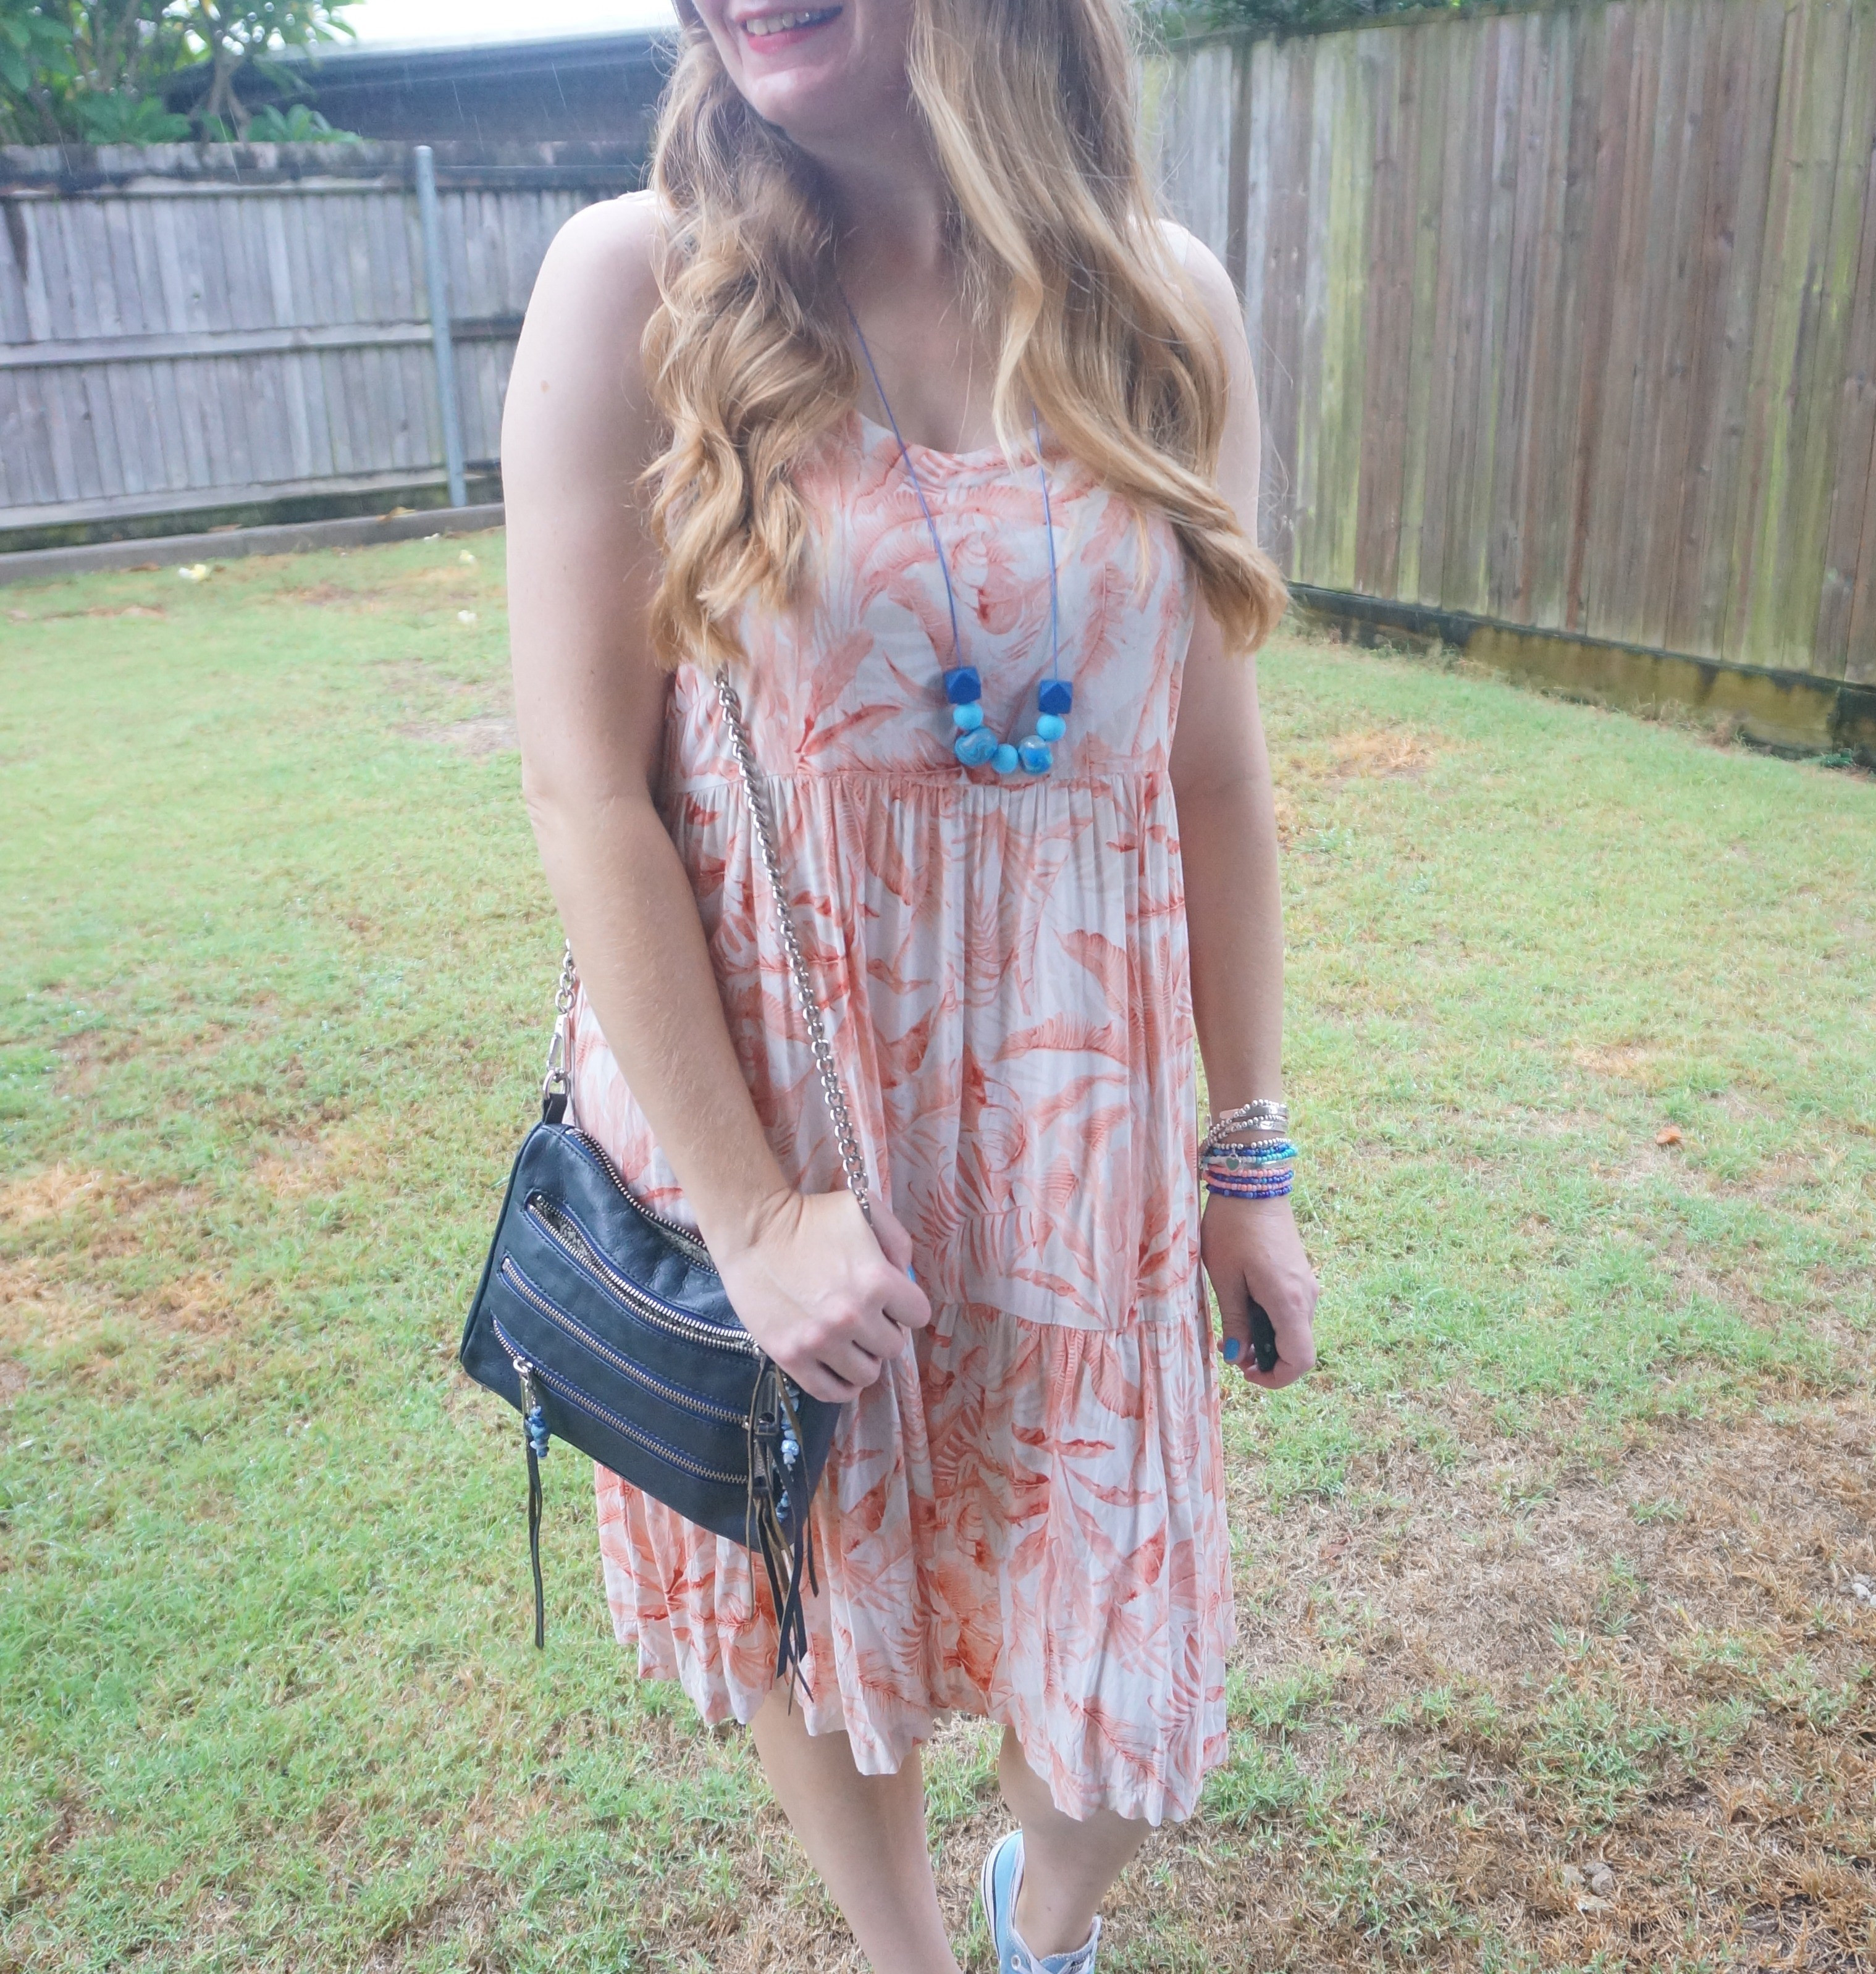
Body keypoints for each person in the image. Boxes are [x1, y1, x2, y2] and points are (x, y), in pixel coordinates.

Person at [500, 0, 1321, 1964]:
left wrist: (1247, 1155)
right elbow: (584, 785)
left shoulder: (1164, 305)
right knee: (821, 1566)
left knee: (1114, 1680)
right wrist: (755, 1211)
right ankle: (906, 1951)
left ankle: (1043, 1917)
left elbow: (1209, 776)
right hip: (779, 1106)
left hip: (1078, 1135)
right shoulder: (637, 284)